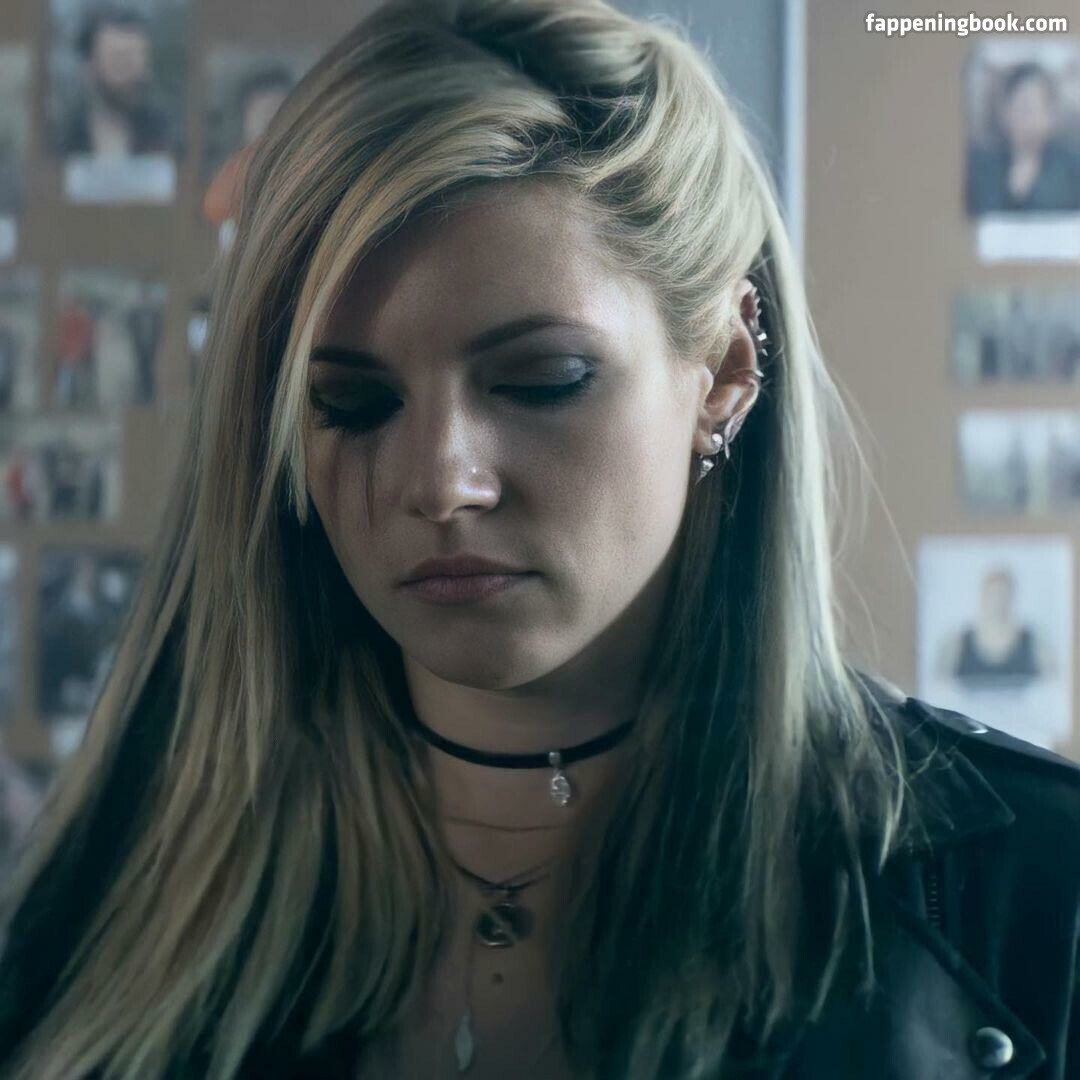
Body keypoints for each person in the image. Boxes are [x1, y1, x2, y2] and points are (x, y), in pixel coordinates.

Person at [0, 2, 1076, 1078]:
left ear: (725, 369)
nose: (441, 483)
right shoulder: (105, 914)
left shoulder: (1032, 899)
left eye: (540, 382)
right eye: (353, 405)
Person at [53, 4, 178, 158]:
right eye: (120, 60)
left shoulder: (169, 137)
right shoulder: (62, 142)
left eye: (141, 59)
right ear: (89, 68)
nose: (136, 74)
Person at [966, 60, 1080, 214]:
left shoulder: (1072, 168)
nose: (1027, 119)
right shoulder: (982, 166)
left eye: (1033, 108)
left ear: (1051, 115)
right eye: (1020, 107)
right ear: (1004, 112)